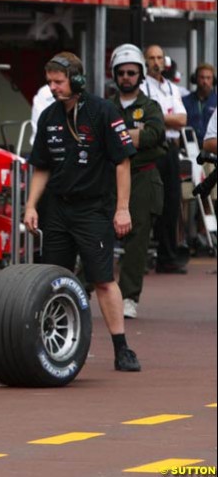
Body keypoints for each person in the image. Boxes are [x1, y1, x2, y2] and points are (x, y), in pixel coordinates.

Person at [24, 51, 140, 372]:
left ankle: (122, 348)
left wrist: (122, 209)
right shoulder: (49, 116)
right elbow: (42, 168)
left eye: (58, 82)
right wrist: (31, 205)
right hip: (57, 210)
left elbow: (122, 162)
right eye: (49, 82)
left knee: (103, 280)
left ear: (76, 80)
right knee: (52, 280)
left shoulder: (104, 111)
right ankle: (52, 343)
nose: (53, 88)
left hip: (93, 209)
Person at [108, 44, 166, 319]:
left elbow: (156, 135)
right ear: (115, 74)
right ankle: (81, 285)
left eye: (132, 72)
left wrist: (120, 137)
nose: (126, 77)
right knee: (96, 233)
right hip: (111, 178)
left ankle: (129, 297)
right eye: (122, 72)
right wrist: (134, 136)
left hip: (143, 179)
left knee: (137, 240)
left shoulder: (150, 106)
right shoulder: (106, 107)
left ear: (140, 74)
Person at [143, 45, 188, 274]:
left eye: (159, 57)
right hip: (151, 148)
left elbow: (182, 120)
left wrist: (161, 117)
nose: (156, 62)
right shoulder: (142, 88)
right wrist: (164, 118)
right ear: (145, 60)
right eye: (151, 58)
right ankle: (139, 257)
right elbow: (149, 121)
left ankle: (167, 257)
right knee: (148, 203)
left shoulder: (171, 87)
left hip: (171, 149)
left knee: (172, 202)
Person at [183, 63, 217, 147]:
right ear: (195, 79)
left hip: (210, 147)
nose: (205, 81)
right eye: (202, 77)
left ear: (214, 80)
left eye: (208, 78)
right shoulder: (184, 101)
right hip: (188, 146)